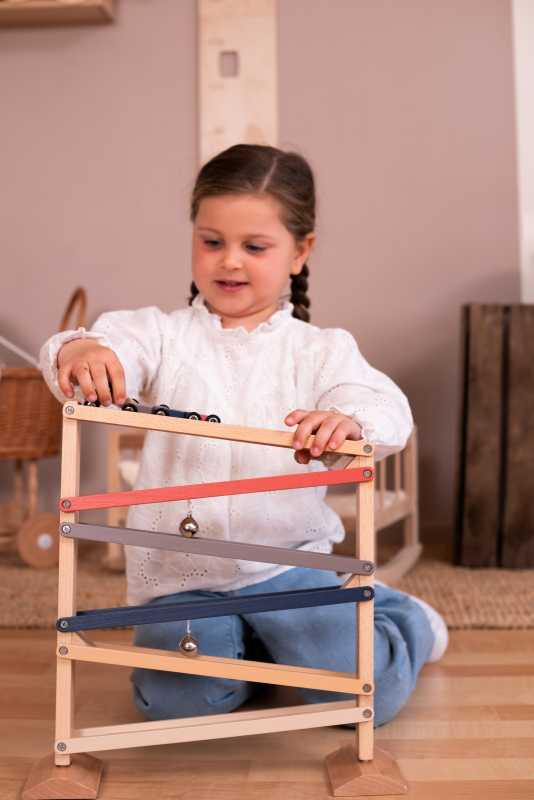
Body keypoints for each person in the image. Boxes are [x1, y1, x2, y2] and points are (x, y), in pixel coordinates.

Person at [40, 143, 447, 727]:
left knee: (357, 697)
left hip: (286, 567)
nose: (229, 261)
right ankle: (248, 652)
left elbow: (387, 409)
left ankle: (402, 618)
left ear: (299, 252)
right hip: (181, 579)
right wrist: (81, 349)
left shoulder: (321, 350)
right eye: (212, 242)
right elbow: (97, 348)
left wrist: (348, 422)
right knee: (176, 705)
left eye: (254, 247)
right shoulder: (160, 334)